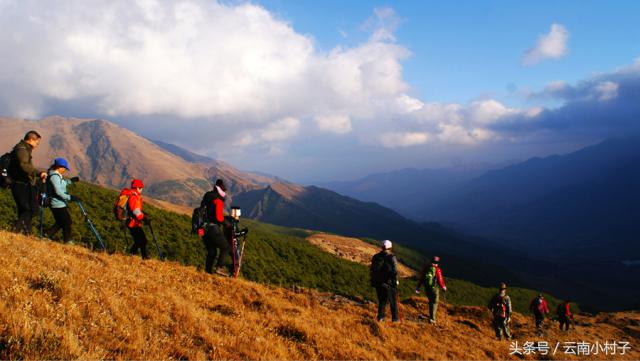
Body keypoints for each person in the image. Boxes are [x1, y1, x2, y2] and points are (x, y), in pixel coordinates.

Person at [9, 131, 47, 235]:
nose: (37, 145)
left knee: (25, 209)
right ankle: (15, 230)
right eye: (37, 143)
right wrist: (39, 173)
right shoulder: (22, 150)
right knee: (32, 209)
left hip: (21, 183)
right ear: (31, 139)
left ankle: (27, 234)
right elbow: (24, 165)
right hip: (21, 184)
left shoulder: (23, 149)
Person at [200, 179, 231, 276]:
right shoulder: (218, 200)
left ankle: (208, 271)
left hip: (202, 228)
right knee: (226, 247)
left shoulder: (207, 196)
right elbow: (218, 217)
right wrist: (227, 224)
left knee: (212, 250)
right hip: (212, 228)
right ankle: (220, 268)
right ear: (221, 191)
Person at [45, 158, 80, 244]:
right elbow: (58, 191)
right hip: (57, 203)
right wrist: (70, 197)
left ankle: (47, 235)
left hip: (59, 203)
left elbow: (62, 184)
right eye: (64, 168)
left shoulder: (56, 175)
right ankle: (67, 240)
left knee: (61, 222)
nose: (64, 170)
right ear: (59, 167)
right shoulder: (54, 177)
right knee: (67, 221)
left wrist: (70, 181)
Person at [370, 240, 399, 322]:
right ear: (390, 247)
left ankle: (381, 318)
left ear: (382, 247)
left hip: (378, 283)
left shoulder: (375, 256)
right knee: (393, 301)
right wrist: (395, 281)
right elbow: (395, 271)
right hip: (389, 283)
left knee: (382, 301)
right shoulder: (392, 257)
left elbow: (372, 269)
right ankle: (395, 319)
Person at [415, 256, 447, 324]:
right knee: (434, 302)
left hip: (427, 288)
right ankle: (432, 318)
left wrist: (418, 287)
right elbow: (440, 280)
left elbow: (421, 278)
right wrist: (443, 287)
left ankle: (431, 316)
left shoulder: (426, 268)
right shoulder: (437, 269)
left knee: (430, 301)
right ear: (437, 263)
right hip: (434, 288)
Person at [127, 179, 150, 259]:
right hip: (133, 223)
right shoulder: (134, 197)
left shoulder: (133, 195)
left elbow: (136, 209)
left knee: (139, 240)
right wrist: (144, 218)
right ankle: (145, 257)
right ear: (137, 188)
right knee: (143, 240)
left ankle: (131, 255)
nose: (141, 189)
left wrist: (144, 215)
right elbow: (135, 211)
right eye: (141, 188)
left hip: (134, 222)